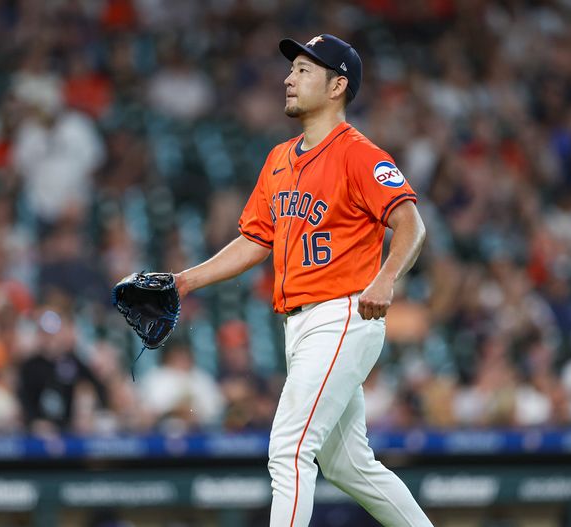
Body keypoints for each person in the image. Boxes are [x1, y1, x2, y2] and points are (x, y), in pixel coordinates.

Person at [174, 34, 433, 527]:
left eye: (303, 70)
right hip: (301, 327)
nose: (288, 79)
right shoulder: (278, 159)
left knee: (289, 450)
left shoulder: (359, 154)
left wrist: (386, 277)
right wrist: (187, 280)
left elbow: (411, 224)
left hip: (342, 314)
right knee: (348, 465)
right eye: (291, 69)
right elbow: (256, 239)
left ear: (338, 86)